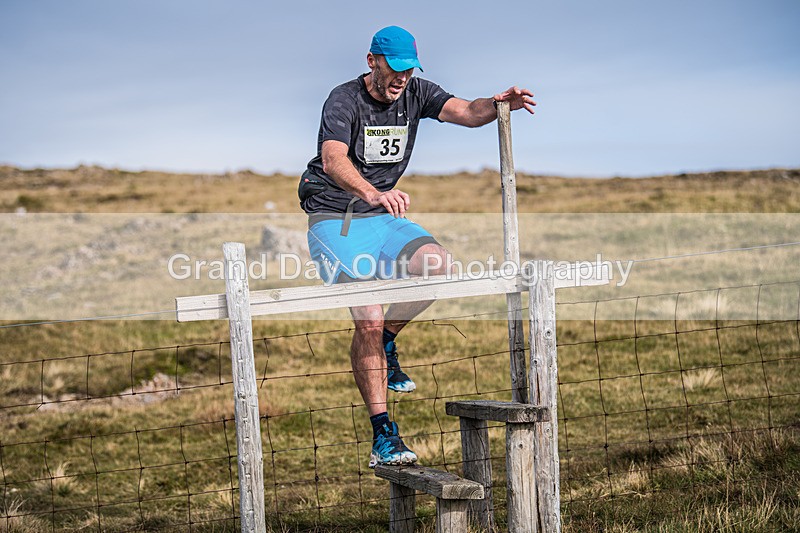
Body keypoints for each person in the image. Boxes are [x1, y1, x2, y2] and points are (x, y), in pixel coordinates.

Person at [298, 25, 535, 468]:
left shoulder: (417, 92)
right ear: (373, 61)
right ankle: (383, 433)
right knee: (367, 317)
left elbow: (466, 110)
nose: (402, 78)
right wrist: (371, 192)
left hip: (383, 217)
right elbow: (333, 159)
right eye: (395, 69)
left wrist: (500, 104)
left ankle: (388, 341)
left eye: (410, 70)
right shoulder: (343, 99)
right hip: (337, 218)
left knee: (438, 267)